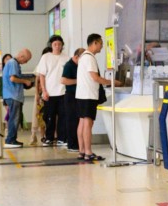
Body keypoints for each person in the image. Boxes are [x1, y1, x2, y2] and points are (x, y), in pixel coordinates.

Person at [76, 34, 118, 162]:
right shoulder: (89, 58)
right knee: (88, 123)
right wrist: (111, 82)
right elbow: (95, 77)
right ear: (94, 43)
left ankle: (82, 151)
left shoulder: (83, 56)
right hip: (88, 95)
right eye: (101, 43)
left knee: (82, 122)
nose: (102, 46)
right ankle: (88, 152)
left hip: (81, 94)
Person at [36, 34, 70, 146]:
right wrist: (44, 91)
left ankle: (61, 138)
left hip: (63, 92)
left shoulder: (66, 58)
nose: (57, 46)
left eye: (59, 44)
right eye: (55, 44)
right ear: (51, 45)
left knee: (63, 117)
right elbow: (42, 75)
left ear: (62, 46)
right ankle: (49, 138)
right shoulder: (46, 57)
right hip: (49, 93)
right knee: (49, 117)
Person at [1, 48, 32, 149]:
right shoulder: (13, 63)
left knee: (14, 118)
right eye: (26, 60)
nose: (25, 62)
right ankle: (10, 140)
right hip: (13, 95)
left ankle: (12, 139)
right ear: (22, 56)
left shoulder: (13, 63)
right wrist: (25, 81)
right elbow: (13, 78)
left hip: (12, 95)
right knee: (14, 119)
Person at [60, 48, 84, 153]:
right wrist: (78, 81)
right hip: (70, 96)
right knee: (72, 121)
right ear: (76, 57)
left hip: (77, 95)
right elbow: (63, 80)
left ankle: (77, 143)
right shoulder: (69, 66)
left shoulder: (79, 65)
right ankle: (72, 144)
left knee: (77, 120)